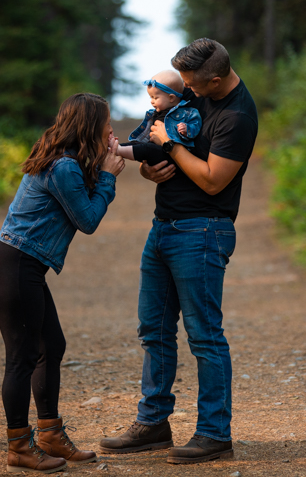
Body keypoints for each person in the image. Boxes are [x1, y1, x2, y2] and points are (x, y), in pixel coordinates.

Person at [99, 38, 258, 464]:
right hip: (164, 227)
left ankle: (213, 433)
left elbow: (211, 180)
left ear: (216, 79)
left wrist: (170, 145)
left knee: (205, 336)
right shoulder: (196, 90)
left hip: (204, 232)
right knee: (153, 330)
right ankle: (153, 423)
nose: (186, 89)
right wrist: (152, 168)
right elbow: (161, 151)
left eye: (193, 83)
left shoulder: (237, 117)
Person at [0, 93, 125, 474]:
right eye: (106, 123)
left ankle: (50, 435)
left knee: (51, 346)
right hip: (14, 266)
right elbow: (88, 220)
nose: (112, 129)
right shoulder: (63, 167)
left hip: (18, 264)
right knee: (22, 358)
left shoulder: (66, 161)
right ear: (90, 126)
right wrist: (108, 176)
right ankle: (19, 447)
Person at [116, 70, 201, 162]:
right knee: (137, 144)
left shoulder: (187, 112)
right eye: (151, 97)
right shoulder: (155, 114)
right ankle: (113, 148)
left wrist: (186, 129)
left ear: (171, 98)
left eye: (155, 98)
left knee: (147, 149)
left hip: (171, 155)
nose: (152, 101)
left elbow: (196, 125)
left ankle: (117, 150)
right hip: (154, 147)